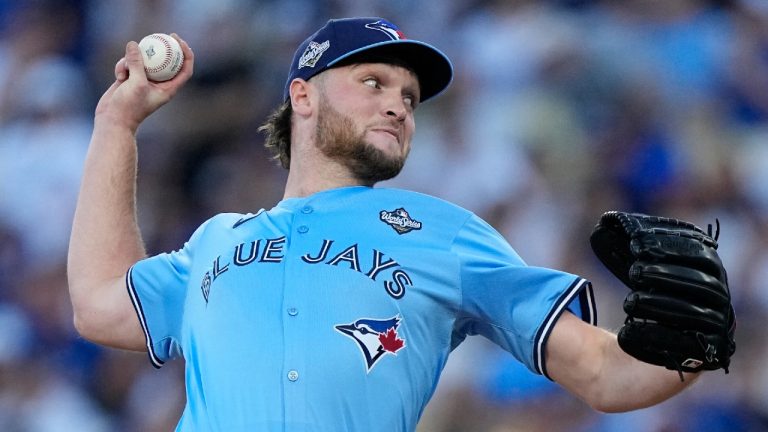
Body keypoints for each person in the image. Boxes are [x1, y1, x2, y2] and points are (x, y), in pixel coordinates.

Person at [67, 17, 730, 431]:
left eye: (409, 97)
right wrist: (117, 123)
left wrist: (681, 350)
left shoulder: (446, 233)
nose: (398, 106)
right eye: (374, 83)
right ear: (303, 95)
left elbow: (606, 375)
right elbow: (99, 304)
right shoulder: (218, 240)